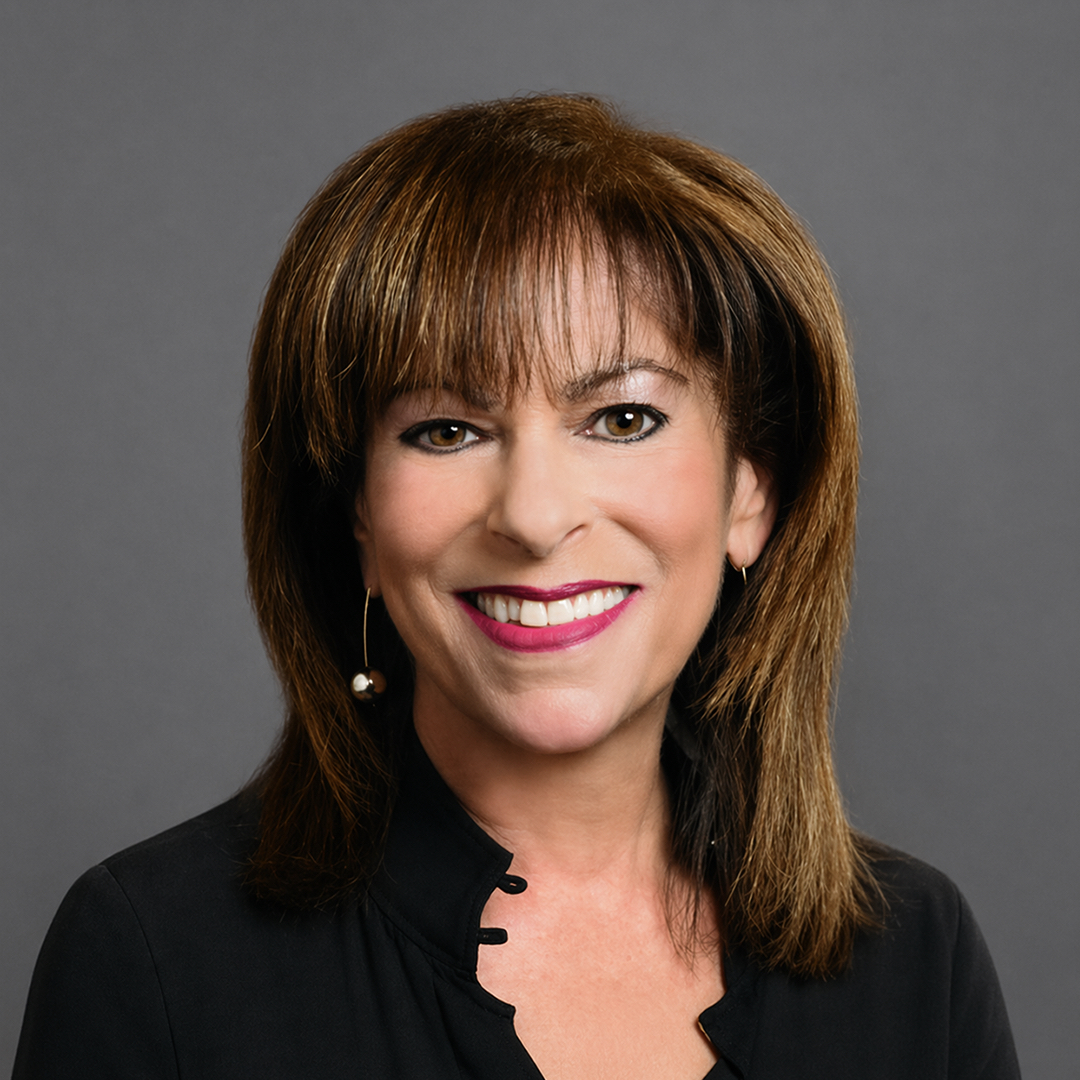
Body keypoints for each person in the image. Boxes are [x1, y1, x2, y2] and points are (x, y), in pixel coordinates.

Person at [14, 94, 1020, 1079]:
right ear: (357, 514)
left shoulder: (913, 962)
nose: (534, 517)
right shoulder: (156, 959)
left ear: (749, 494)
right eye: (446, 430)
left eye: (621, 420)